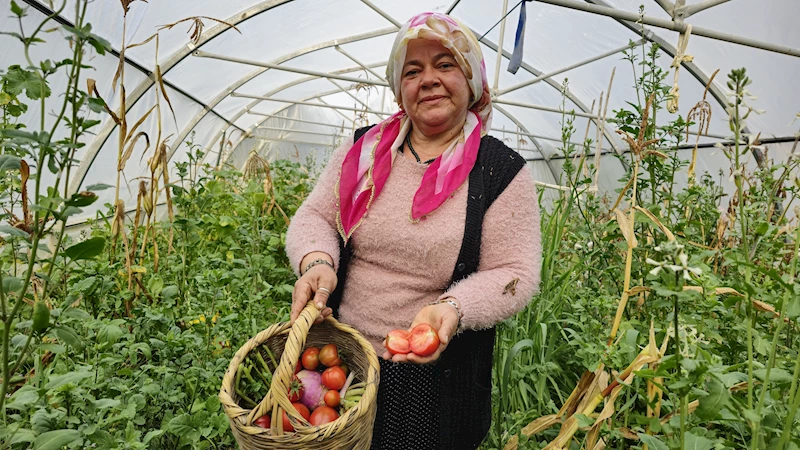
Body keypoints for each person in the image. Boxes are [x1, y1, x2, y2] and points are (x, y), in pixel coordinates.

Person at [285, 11, 542, 450]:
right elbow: (314, 218)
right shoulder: (362, 150)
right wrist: (317, 262)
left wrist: (456, 307)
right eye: (413, 70)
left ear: (473, 79)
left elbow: (514, 272)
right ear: (399, 88)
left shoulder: (500, 172)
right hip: (341, 358)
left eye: (445, 65)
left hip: (435, 374)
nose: (429, 80)